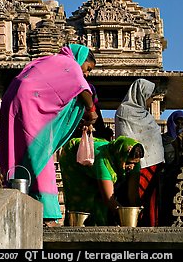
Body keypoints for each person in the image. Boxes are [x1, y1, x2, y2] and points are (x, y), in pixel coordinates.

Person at [0, 43, 98, 227]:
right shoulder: (71, 65)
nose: (86, 73)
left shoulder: (49, 61)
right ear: (81, 60)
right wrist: (91, 111)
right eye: (88, 68)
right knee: (41, 155)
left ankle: (23, 200)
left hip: (13, 102)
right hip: (29, 104)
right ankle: (49, 215)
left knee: (22, 154)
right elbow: (83, 89)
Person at [59, 135, 144, 226]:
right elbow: (108, 198)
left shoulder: (134, 161)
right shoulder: (103, 160)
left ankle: (99, 223)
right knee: (83, 199)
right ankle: (78, 226)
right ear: (121, 157)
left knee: (100, 202)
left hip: (96, 160)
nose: (131, 167)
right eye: (128, 163)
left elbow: (133, 195)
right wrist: (123, 217)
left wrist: (137, 215)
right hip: (75, 159)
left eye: (135, 163)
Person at [114, 78, 165, 227]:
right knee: (135, 195)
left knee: (151, 198)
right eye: (149, 96)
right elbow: (125, 138)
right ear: (141, 94)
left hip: (153, 163)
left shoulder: (145, 114)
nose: (150, 101)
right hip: (136, 163)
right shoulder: (124, 111)